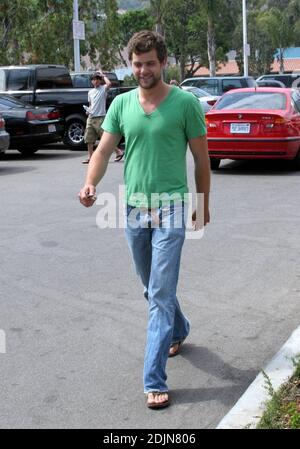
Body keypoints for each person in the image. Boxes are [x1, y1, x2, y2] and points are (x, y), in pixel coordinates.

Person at [78, 30, 210, 409]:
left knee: (161, 292)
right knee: (152, 287)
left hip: (172, 207)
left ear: (163, 62)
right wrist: (90, 183)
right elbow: (103, 151)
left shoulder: (185, 104)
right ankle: (179, 328)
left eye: (150, 63)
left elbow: (202, 160)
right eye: (137, 64)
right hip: (135, 208)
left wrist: (204, 202)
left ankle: (154, 379)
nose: (143, 70)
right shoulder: (120, 104)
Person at [82, 71, 124, 164]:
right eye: (93, 79)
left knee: (105, 138)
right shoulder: (90, 92)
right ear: (91, 81)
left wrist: (103, 75)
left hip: (100, 118)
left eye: (97, 79)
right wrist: (88, 110)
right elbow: (90, 104)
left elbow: (109, 83)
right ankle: (91, 157)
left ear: (100, 81)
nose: (95, 81)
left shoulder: (103, 89)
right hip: (91, 117)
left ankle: (118, 152)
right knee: (89, 139)